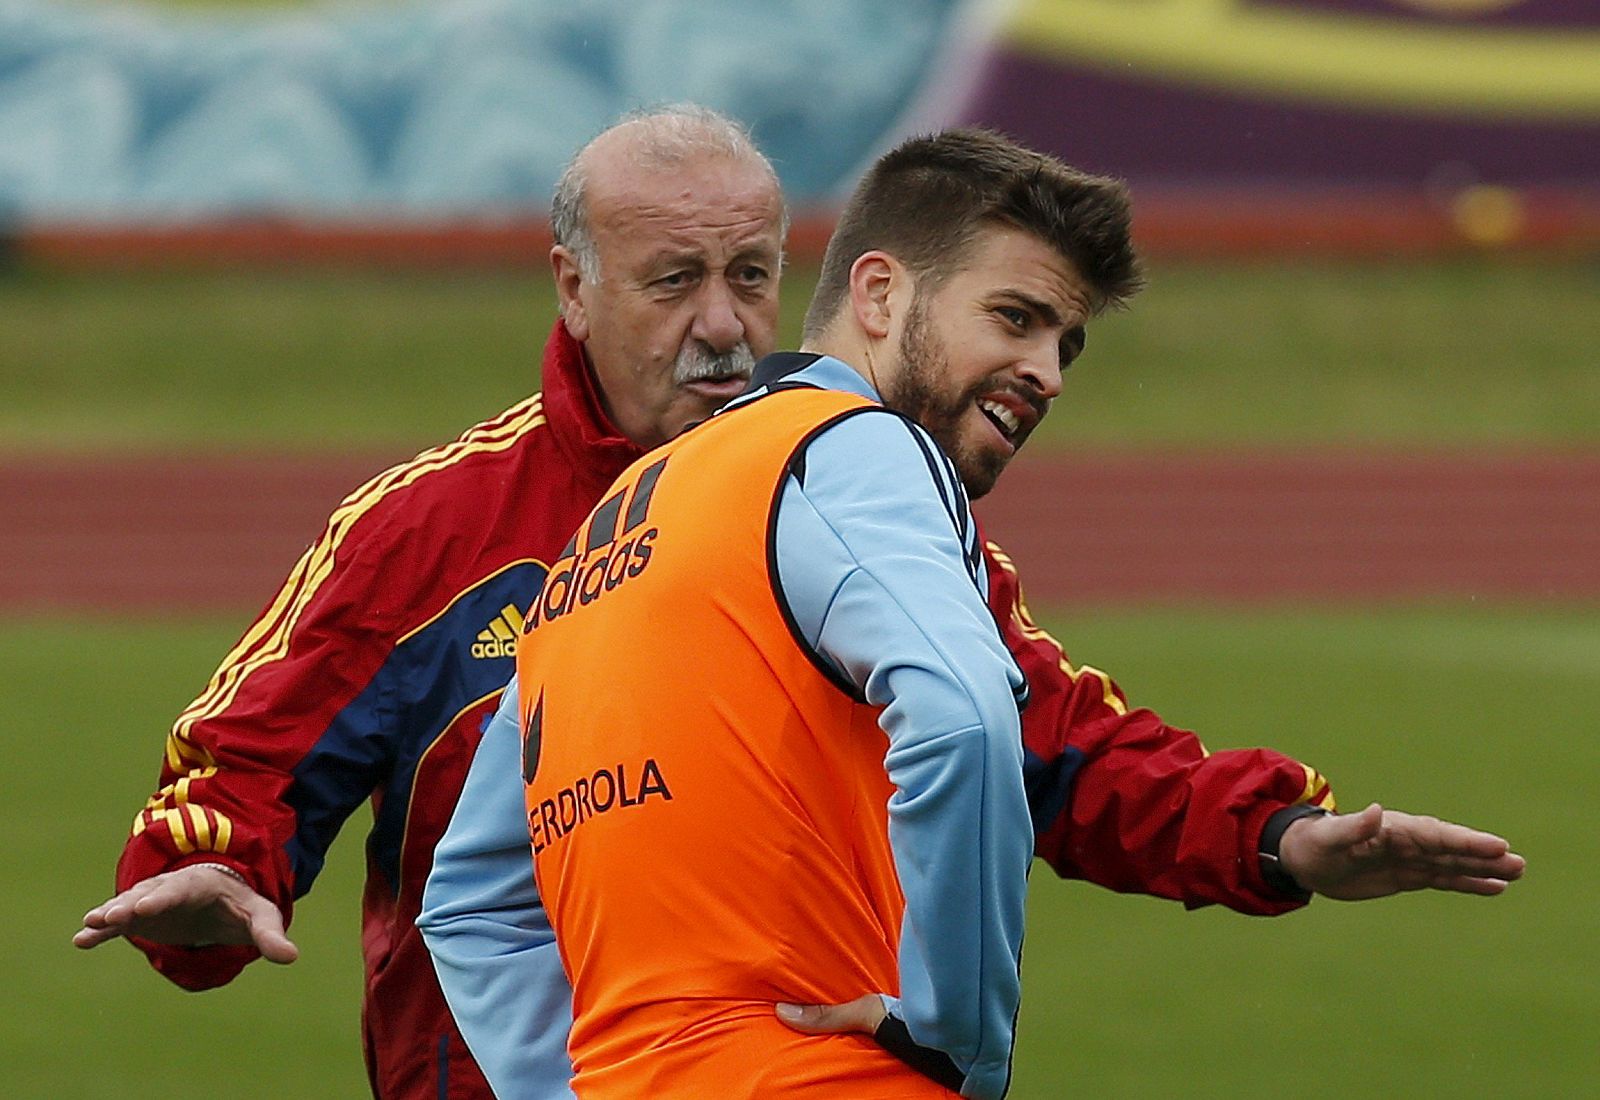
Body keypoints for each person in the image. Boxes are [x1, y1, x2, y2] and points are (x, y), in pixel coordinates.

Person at [418, 129, 1524, 1097]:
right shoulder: (856, 449)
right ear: (881, 293)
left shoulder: (607, 532)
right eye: (1016, 317)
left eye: (1065, 344)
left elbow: (469, 898)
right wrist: (955, 1039)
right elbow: (962, 717)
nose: (1045, 371)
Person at [73, 105, 788, 1098]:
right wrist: (218, 871)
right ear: (574, 288)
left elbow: (1048, 736)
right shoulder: (425, 538)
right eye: (674, 279)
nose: (723, 323)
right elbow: (246, 768)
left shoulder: (863, 510)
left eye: (749, 274)